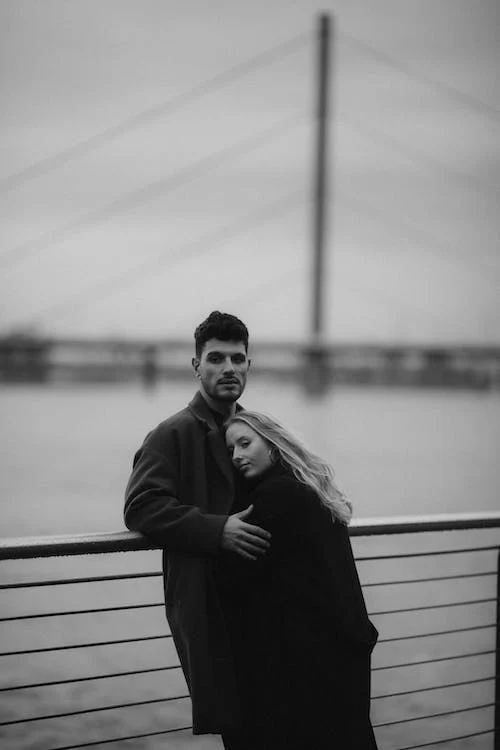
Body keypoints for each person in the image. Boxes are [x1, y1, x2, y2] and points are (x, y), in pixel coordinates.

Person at [123, 311, 271, 746]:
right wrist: (216, 530)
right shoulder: (171, 433)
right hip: (212, 605)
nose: (229, 368)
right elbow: (141, 506)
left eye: (238, 359)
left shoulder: (258, 430)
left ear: (249, 364)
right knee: (241, 727)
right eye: (216, 358)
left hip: (264, 601)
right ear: (196, 366)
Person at [215, 410, 379, 750]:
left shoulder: (276, 495)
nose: (237, 456)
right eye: (230, 451)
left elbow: (234, 577)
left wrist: (214, 531)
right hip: (338, 651)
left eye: (245, 444)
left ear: (273, 444)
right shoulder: (310, 487)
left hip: (304, 661)